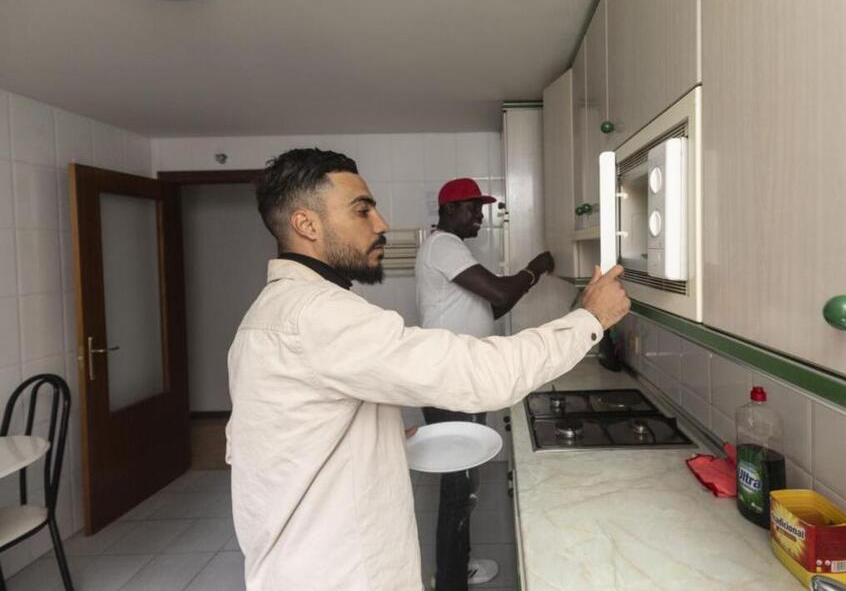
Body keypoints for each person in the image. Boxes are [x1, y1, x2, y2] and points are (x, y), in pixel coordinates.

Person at [227, 148, 630, 591]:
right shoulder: (316, 316)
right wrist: (589, 320)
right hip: (338, 573)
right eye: (363, 211)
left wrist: (374, 436)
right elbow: (481, 373)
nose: (381, 224)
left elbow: (274, 439)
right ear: (307, 225)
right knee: (458, 495)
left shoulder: (273, 313)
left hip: (308, 563)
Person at [415, 177, 555, 590]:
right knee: (458, 488)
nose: (480, 215)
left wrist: (532, 276)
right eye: (474, 207)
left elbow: (495, 304)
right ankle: (451, 579)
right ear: (450, 209)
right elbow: (498, 289)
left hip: (461, 380)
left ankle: (460, 565)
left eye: (482, 207)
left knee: (465, 483)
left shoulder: (450, 249)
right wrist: (534, 269)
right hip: (449, 382)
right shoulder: (443, 245)